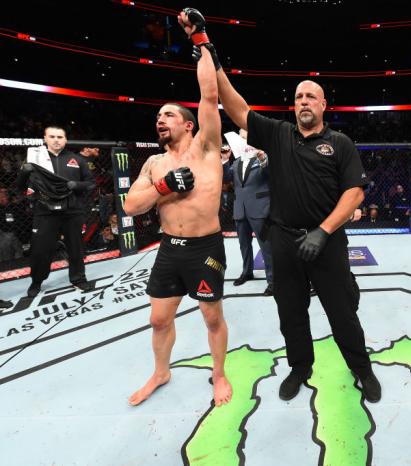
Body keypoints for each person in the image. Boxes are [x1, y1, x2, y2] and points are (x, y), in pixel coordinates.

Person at [184, 11, 381, 403]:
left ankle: (362, 369)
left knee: (343, 313)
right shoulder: (278, 134)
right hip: (284, 241)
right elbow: (234, 105)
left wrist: (323, 231)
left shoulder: (340, 143)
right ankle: (299, 367)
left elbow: (354, 193)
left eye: (311, 96)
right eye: (298, 97)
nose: (303, 101)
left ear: (324, 104)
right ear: (292, 106)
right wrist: (205, 45)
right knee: (291, 313)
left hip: (326, 243)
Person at [123, 8, 232, 407]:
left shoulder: (205, 149)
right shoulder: (154, 164)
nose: (160, 119)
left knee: (211, 317)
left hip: (206, 249)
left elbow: (210, 95)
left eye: (168, 114)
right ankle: (161, 371)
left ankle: (219, 375)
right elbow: (133, 206)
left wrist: (200, 39)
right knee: (158, 319)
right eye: (157, 116)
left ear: (189, 124)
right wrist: (164, 186)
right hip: (170, 249)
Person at [15, 125, 96, 297]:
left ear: (65, 140)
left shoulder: (77, 159)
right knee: (40, 249)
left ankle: (78, 279)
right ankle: (36, 281)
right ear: (45, 138)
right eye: (52, 136)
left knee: (76, 247)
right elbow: (19, 187)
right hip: (45, 211)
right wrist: (24, 172)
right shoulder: (35, 160)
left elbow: (91, 183)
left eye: (60, 137)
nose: (56, 140)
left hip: (72, 210)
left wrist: (76, 185)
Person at [222, 129, 274, 296]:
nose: (243, 139)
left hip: (260, 209)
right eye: (241, 137)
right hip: (240, 209)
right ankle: (247, 272)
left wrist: (264, 159)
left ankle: (273, 280)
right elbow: (225, 179)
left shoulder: (263, 158)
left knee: (266, 246)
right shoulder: (236, 162)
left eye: (245, 136)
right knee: (244, 245)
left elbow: (270, 174)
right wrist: (224, 159)